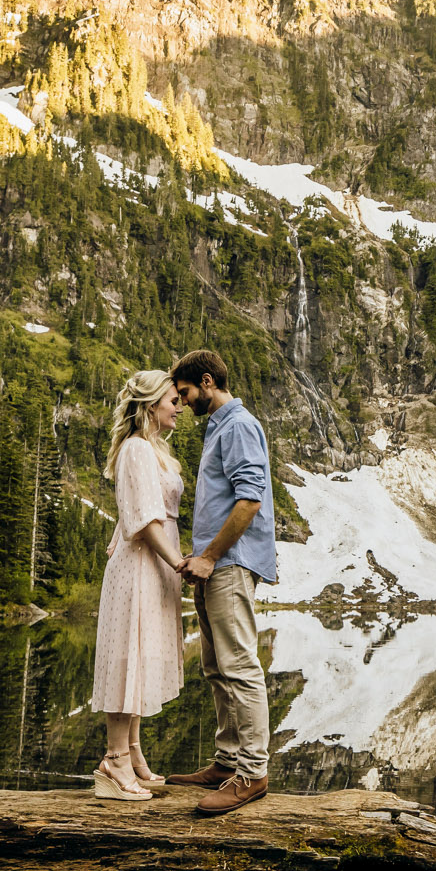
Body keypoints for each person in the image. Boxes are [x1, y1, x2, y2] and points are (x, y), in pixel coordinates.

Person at [165, 348, 280, 815]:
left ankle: (252, 774)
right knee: (216, 667)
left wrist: (210, 557)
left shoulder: (237, 425)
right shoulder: (219, 426)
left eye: (186, 392)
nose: (183, 402)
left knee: (240, 667)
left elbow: (250, 500)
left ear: (208, 382)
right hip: (216, 563)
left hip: (229, 564)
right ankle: (227, 760)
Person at [91, 370, 188, 801]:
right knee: (127, 656)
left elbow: (139, 510)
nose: (180, 406)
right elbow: (146, 519)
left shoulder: (153, 451)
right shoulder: (136, 449)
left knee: (141, 656)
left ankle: (132, 751)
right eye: (172, 400)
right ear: (150, 405)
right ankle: (114, 761)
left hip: (154, 562)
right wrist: (178, 563)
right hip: (145, 561)